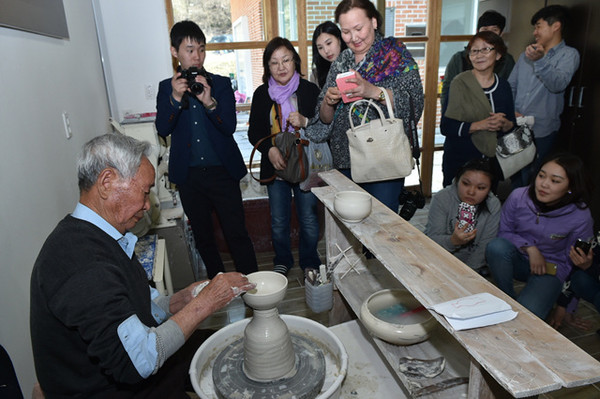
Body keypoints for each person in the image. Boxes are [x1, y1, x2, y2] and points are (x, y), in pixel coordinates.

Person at [30, 134, 255, 398]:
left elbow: (138, 309)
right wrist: (205, 303)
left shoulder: (101, 236)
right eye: (145, 191)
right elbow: (138, 362)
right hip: (110, 385)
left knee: (230, 343)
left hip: (126, 369)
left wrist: (181, 300)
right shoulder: (83, 264)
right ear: (107, 182)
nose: (148, 205)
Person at [155, 20, 257, 279]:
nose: (197, 56)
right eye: (190, 49)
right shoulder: (167, 88)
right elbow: (163, 129)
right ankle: (217, 286)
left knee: (237, 233)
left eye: (201, 49)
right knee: (203, 237)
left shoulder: (220, 84)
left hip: (223, 172)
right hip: (188, 177)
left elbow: (229, 127)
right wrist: (176, 99)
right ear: (174, 51)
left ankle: (253, 286)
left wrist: (209, 102)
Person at [307, 0, 424, 213]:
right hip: (346, 159)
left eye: (359, 28)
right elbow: (324, 120)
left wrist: (371, 91)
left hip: (384, 160)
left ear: (374, 21)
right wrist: (328, 101)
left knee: (382, 227)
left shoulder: (394, 54)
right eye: (346, 32)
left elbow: (414, 102)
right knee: (350, 226)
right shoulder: (341, 61)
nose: (354, 38)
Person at [486, 153, 593, 320]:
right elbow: (504, 232)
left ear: (571, 186)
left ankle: (539, 300)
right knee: (496, 246)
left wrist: (566, 306)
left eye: (555, 181)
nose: (544, 184)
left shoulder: (580, 215)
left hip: (551, 270)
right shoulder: (518, 196)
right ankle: (505, 299)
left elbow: (575, 263)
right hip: (518, 260)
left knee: (528, 317)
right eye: (541, 176)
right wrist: (530, 248)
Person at [247, 37, 322, 276]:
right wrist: (269, 149)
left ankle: (310, 259)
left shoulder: (310, 91)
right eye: (274, 62)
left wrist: (305, 121)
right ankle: (282, 259)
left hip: (306, 165)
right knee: (279, 220)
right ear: (267, 67)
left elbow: (322, 128)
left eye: (286, 60)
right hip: (275, 168)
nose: (281, 67)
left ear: (295, 61)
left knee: (309, 219)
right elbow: (254, 131)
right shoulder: (261, 94)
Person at [508, 5, 580, 188]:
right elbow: (511, 86)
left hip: (542, 131)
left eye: (539, 26)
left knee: (534, 180)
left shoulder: (569, 55)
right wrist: (511, 111)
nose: (535, 32)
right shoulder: (526, 54)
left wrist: (540, 61)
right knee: (515, 177)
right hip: (516, 127)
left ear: (555, 26)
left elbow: (558, 85)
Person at [440, 31, 515, 187]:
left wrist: (502, 123)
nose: (479, 55)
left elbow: (511, 125)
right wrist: (482, 125)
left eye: (486, 49)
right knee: (457, 207)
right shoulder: (459, 84)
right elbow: (446, 127)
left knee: (484, 208)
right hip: (460, 160)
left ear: (498, 54)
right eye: (474, 51)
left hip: (492, 163)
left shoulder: (503, 87)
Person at [425, 159, 500, 273]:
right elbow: (431, 240)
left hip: (472, 268)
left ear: (489, 189)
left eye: (480, 188)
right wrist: (453, 241)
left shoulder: (493, 204)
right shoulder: (442, 198)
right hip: (437, 261)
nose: (471, 192)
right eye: (465, 184)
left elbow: (484, 246)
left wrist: (467, 273)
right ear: (457, 181)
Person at [441, 10, 515, 109]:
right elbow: (447, 90)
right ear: (477, 31)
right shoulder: (458, 59)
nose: (488, 34)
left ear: (501, 34)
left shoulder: (507, 61)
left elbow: (511, 91)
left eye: (494, 30)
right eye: (484, 29)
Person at [310, 21, 347, 89]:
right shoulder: (316, 75)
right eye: (320, 47)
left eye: (329, 43)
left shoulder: (354, 63)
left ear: (339, 39)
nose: (326, 51)